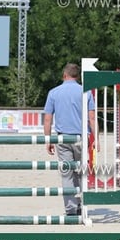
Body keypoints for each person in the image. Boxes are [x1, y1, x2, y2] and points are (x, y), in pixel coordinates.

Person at [43, 63, 97, 216]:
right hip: (81, 138)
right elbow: (92, 118)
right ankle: (82, 205)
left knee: (66, 173)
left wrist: (48, 139)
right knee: (81, 171)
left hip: (62, 138)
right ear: (77, 76)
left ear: (64, 75)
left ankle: (71, 209)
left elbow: (47, 119)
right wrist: (96, 139)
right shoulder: (86, 92)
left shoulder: (53, 92)